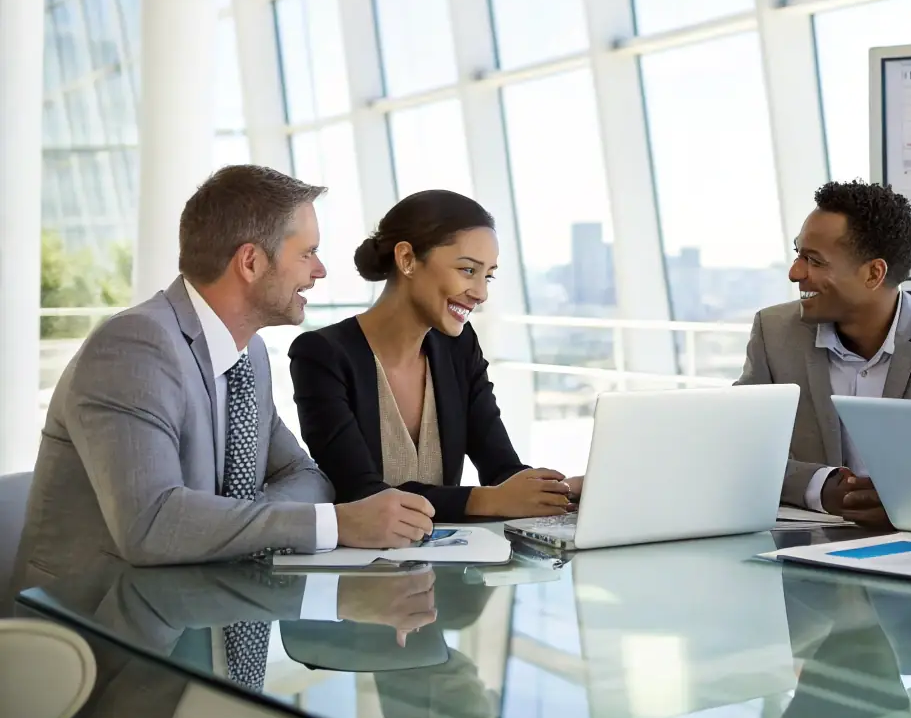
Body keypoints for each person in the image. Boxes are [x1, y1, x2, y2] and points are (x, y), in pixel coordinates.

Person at [12, 165, 436, 596]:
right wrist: (335, 523)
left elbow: (308, 476)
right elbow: (153, 524)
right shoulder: (135, 347)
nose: (320, 270)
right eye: (307, 253)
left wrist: (220, 520)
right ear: (250, 262)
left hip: (201, 606)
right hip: (97, 637)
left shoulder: (248, 353)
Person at [289, 190, 576, 522]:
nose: (481, 293)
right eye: (468, 270)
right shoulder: (321, 355)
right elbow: (360, 492)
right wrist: (486, 501)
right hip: (365, 567)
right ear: (407, 259)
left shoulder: (459, 347)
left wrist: (565, 492)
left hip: (447, 564)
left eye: (488, 276)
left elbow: (503, 472)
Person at [738, 181, 911, 526]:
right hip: (805, 543)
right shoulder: (773, 331)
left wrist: (906, 499)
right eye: (798, 254)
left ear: (873, 273)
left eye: (813, 260)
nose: (795, 273)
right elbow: (741, 451)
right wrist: (820, 487)